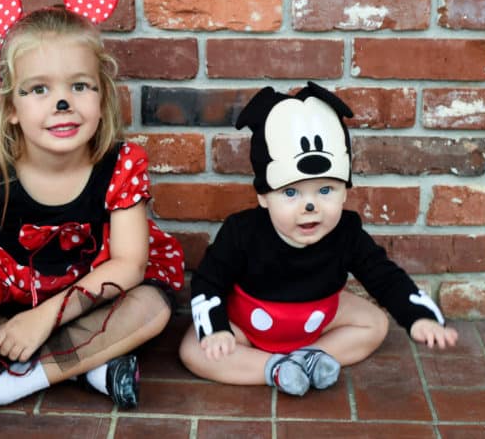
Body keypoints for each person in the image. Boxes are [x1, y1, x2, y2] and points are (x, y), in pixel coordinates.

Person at [0, 0, 184, 424]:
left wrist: (44, 319)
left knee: (151, 308)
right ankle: (86, 368)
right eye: (39, 90)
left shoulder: (118, 166)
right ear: (12, 108)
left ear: (101, 96)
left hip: (81, 301)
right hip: (1, 304)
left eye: (79, 86)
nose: (63, 103)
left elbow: (128, 264)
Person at [179, 82, 457, 396]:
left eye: (325, 190)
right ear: (264, 197)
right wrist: (216, 330)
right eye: (290, 192)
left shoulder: (346, 233)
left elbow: (385, 276)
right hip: (249, 324)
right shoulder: (242, 231)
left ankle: (310, 359)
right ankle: (273, 369)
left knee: (375, 323)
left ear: (344, 192)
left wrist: (418, 317)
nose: (309, 206)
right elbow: (208, 281)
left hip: (317, 321)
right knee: (195, 349)